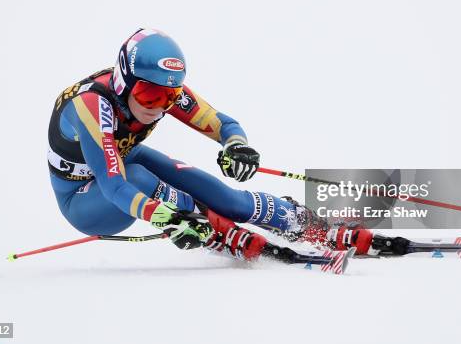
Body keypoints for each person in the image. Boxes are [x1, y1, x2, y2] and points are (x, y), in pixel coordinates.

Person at [48, 27, 397, 261]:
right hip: (84, 198)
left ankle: (302, 223)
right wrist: (169, 218)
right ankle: (214, 229)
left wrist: (236, 146)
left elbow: (224, 125)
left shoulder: (163, 96)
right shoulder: (92, 107)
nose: (160, 106)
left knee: (220, 194)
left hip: (122, 161)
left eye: (170, 96)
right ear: (124, 82)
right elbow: (114, 186)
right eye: (149, 95)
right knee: (139, 177)